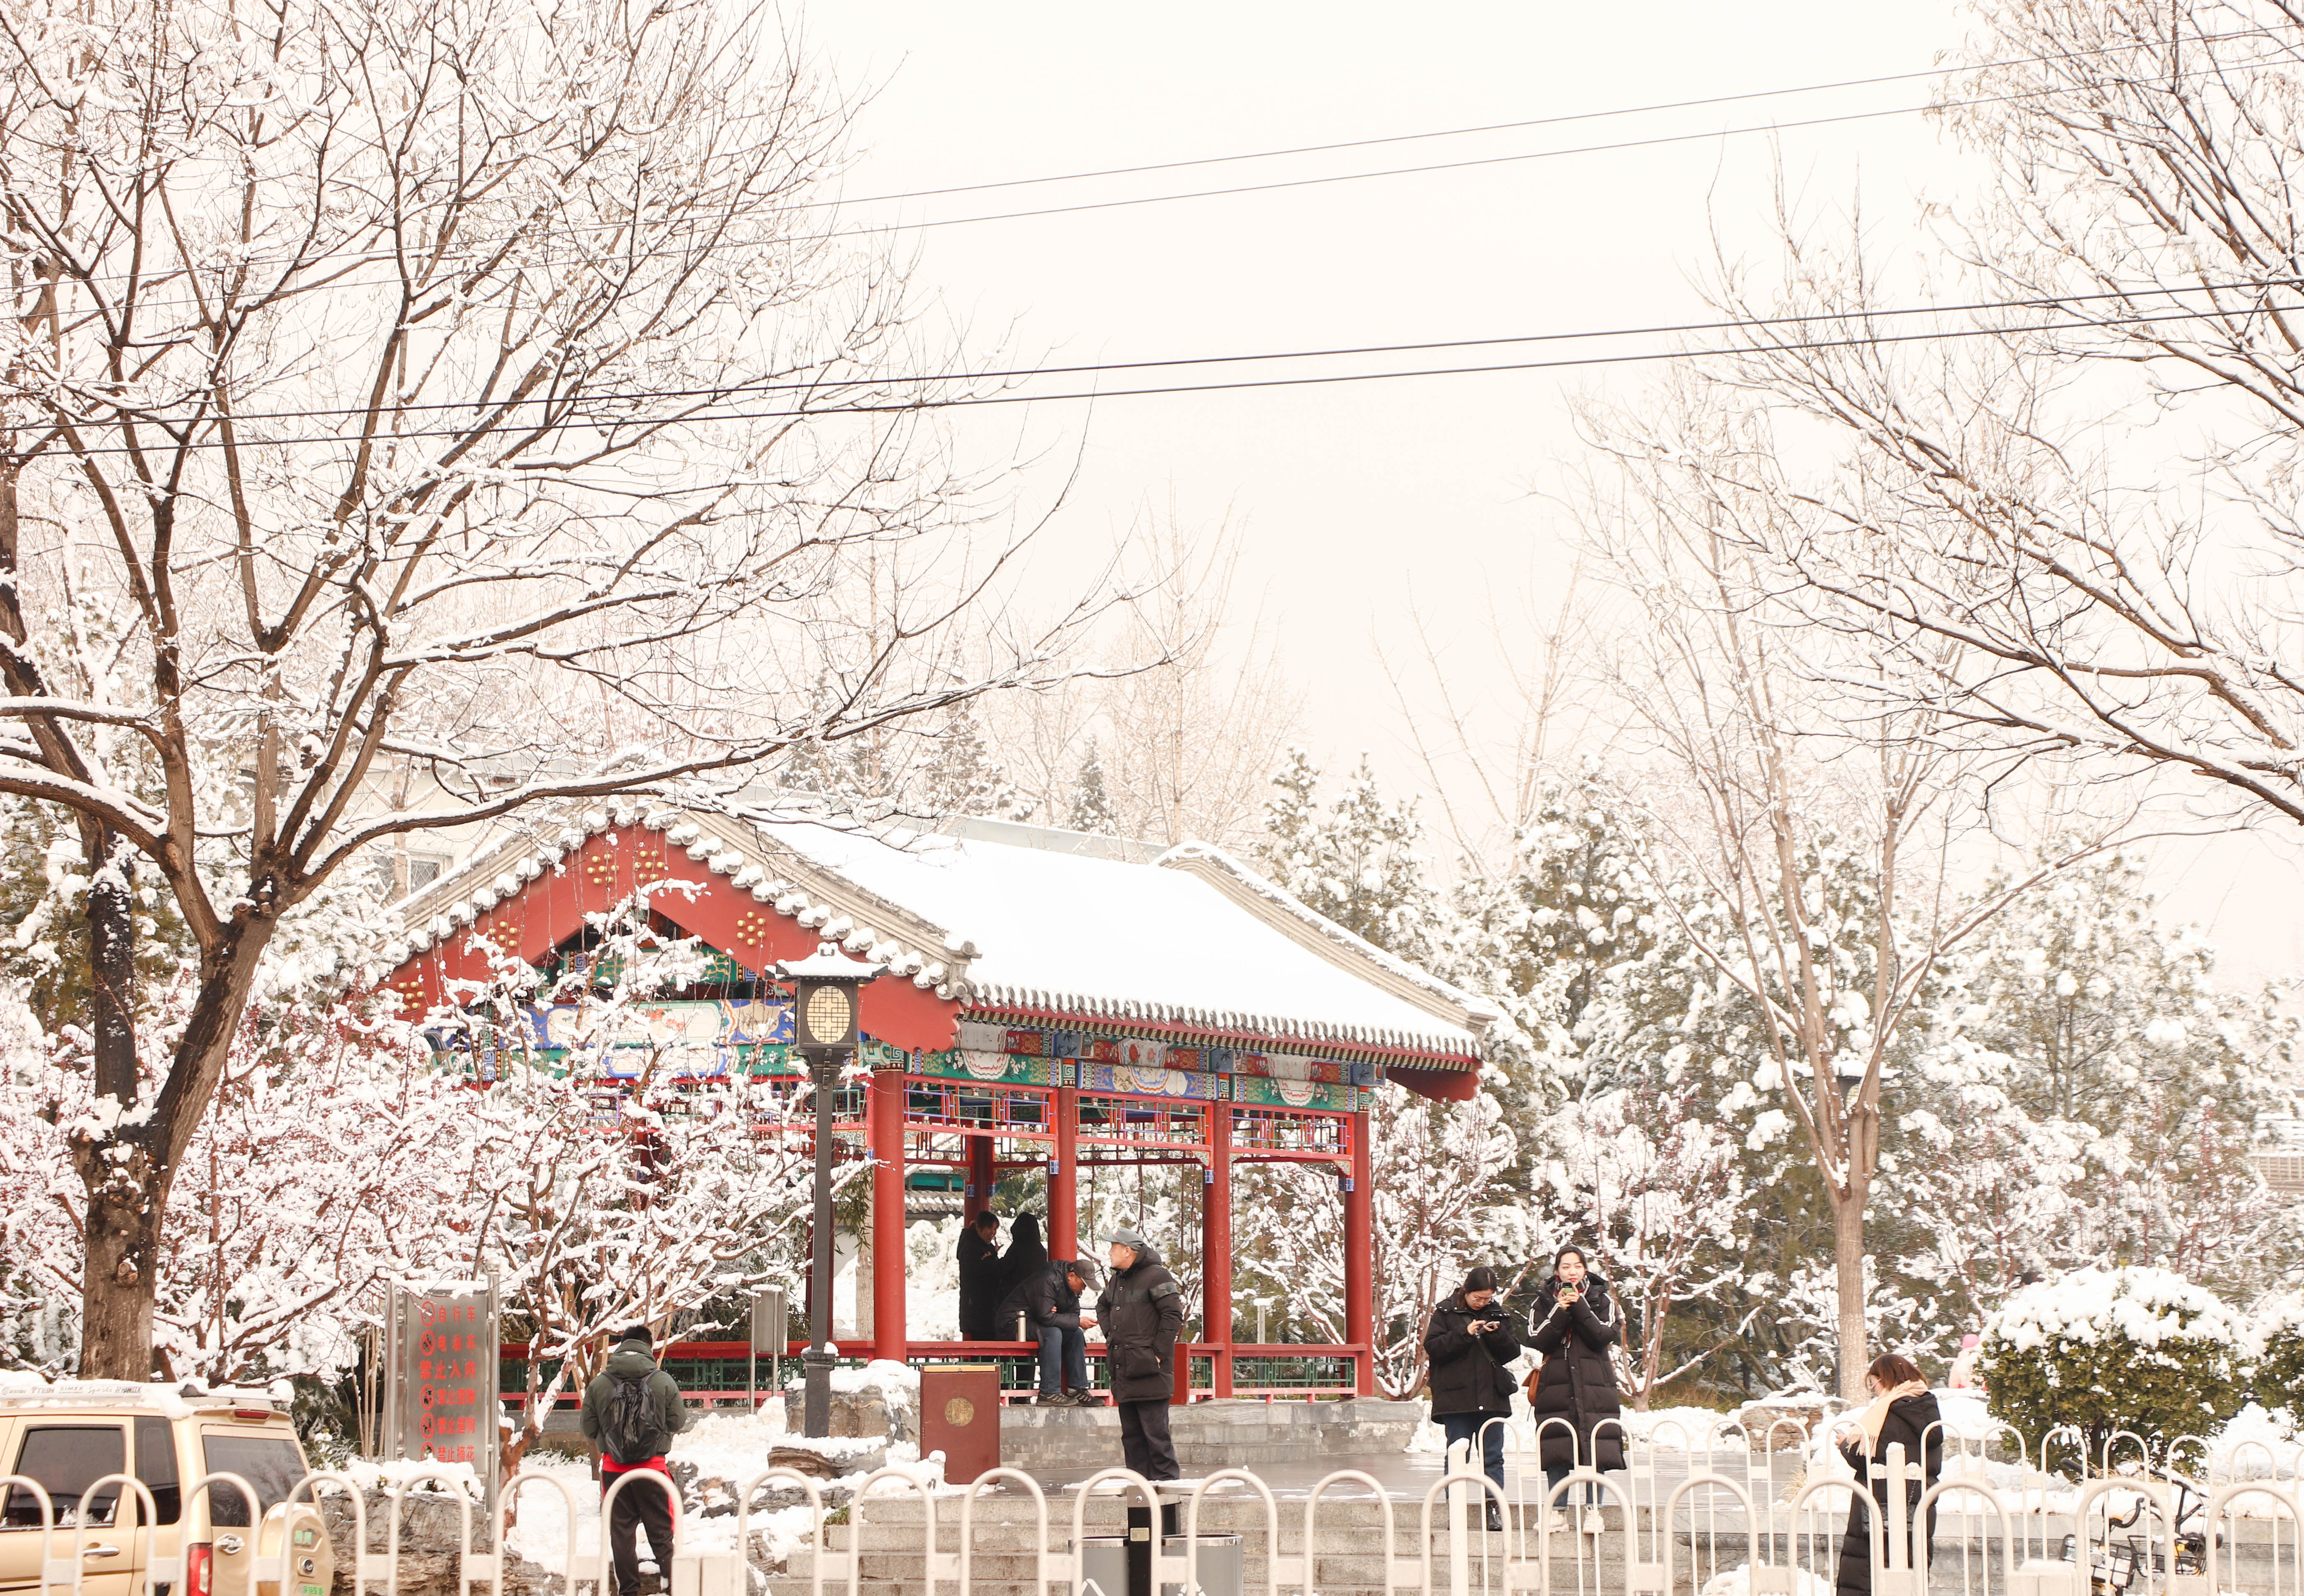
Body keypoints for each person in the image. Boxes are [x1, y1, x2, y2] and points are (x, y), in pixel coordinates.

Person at [580, 1325, 692, 1596]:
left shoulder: (600, 1382)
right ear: (648, 1346)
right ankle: (671, 1589)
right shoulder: (662, 1380)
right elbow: (678, 1421)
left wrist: (609, 1440)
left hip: (614, 1472)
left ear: (621, 1345)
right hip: (653, 1470)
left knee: (621, 1536)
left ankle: (629, 1591)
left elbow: (588, 1428)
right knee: (662, 1535)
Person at [1525, 1244, 1623, 1537]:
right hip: (1556, 1384)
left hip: (1595, 1383)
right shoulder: (1543, 1301)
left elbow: (1603, 1336)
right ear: (1557, 1271)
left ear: (1585, 1269)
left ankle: (1594, 1512)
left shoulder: (1601, 1298)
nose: (1572, 1271)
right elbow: (1537, 1340)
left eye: (1577, 1266)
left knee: (1596, 1447)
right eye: (1566, 1266)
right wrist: (1560, 1310)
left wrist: (1580, 1305)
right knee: (1557, 1447)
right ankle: (1558, 1513)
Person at [1422, 1264, 1522, 1533]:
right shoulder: (1445, 1312)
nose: (1482, 1303)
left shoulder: (1498, 1313)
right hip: (1457, 1398)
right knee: (1457, 1454)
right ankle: (1455, 1508)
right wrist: (1464, 1334)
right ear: (1466, 1291)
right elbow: (1433, 1347)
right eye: (1478, 1298)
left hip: (1492, 1398)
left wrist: (1497, 1333)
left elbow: (1513, 1352)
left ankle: (1493, 1508)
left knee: (1493, 1456)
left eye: (1487, 1299)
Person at [1833, 1353, 1942, 1596]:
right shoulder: (1926, 1408)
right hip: (1919, 1503)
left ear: (1885, 1379)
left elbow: (1867, 1457)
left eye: (1874, 1382)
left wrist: (1846, 1444)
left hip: (1880, 1507)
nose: (1874, 1389)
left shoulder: (1889, 1411)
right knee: (1910, 1571)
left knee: (1868, 1574)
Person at [1095, 1227, 1185, 1488]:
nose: (1110, 1252)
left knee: (1156, 1436)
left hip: (1150, 1370)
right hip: (1123, 1368)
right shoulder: (1118, 1279)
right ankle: (1139, 1489)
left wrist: (1158, 1352)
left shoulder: (1157, 1276)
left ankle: (1167, 1490)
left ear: (1128, 1251)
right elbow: (1103, 1305)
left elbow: (1173, 1315)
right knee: (1132, 1436)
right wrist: (1110, 1331)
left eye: (1114, 1247)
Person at [998, 1256, 1100, 1405]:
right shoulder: (1047, 1279)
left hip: (1036, 1322)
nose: (1084, 1288)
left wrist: (1056, 1315)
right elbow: (1046, 1317)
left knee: (1076, 1334)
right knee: (1053, 1333)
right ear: (1072, 1276)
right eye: (1083, 1284)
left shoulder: (1072, 1289)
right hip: (1014, 1323)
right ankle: (1049, 1392)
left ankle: (1078, 1389)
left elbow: (1072, 1315)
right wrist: (1060, 1316)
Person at [956, 1211, 1004, 1341]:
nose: (993, 1233)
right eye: (990, 1228)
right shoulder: (971, 1248)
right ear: (979, 1228)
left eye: (995, 1229)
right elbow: (979, 1275)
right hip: (978, 1310)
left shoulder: (984, 1247)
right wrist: (992, 1260)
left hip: (984, 1310)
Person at [999, 1211, 1049, 1318]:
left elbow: (1003, 1269)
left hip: (1014, 1299)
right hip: (1037, 1300)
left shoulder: (1018, 1248)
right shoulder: (1041, 1251)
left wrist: (992, 1258)